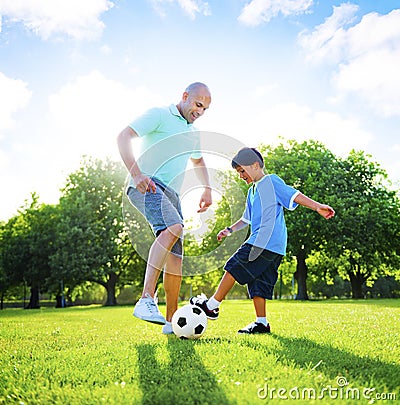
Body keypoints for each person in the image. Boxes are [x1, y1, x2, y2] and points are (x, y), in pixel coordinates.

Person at [191, 147, 335, 334]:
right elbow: (246, 219)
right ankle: (261, 323)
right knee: (258, 282)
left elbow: (294, 195)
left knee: (234, 266)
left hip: (263, 241)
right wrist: (229, 230)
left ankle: (212, 305)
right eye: (238, 172)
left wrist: (317, 207)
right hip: (274, 247)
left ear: (255, 165)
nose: (241, 175)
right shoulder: (252, 191)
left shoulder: (270, 181)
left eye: (242, 170)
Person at [117, 82, 212, 334]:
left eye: (205, 108)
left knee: (176, 258)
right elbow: (124, 136)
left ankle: (171, 322)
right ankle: (146, 298)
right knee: (173, 227)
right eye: (198, 104)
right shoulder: (160, 114)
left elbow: (199, 160)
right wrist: (136, 174)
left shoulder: (193, 132)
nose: (200, 111)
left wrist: (207, 188)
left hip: (172, 194)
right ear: (185, 97)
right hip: (147, 182)